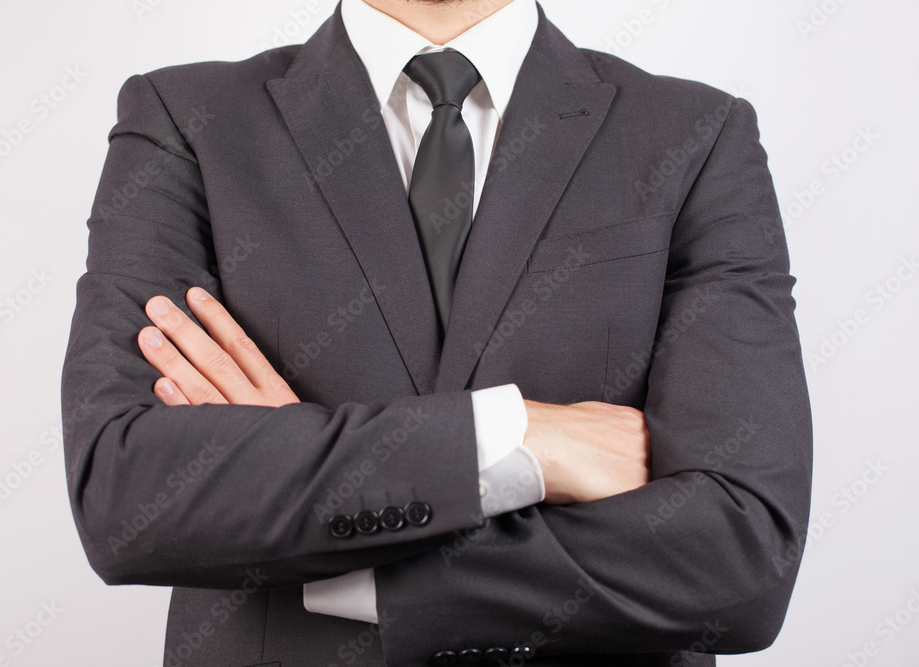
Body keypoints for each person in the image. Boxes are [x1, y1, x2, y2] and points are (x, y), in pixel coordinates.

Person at [60, 0, 813, 665]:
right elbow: (128, 496)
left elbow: (744, 558)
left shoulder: (696, 134)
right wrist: (518, 436)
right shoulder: (187, 119)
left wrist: (339, 544)